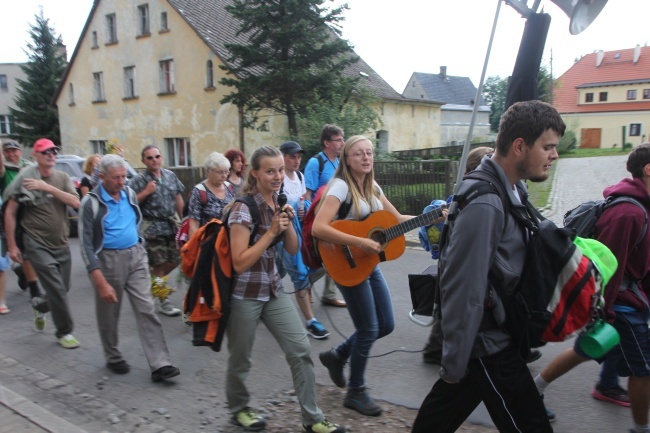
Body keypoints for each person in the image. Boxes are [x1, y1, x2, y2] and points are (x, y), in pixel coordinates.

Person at [411, 100, 564, 433]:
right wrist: (453, 363)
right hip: (487, 346)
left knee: (435, 421)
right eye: (548, 147)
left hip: (493, 337)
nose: (554, 155)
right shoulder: (486, 203)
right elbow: (462, 287)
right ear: (519, 146)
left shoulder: (512, 189)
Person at [225, 146, 344, 433]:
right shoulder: (243, 208)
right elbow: (239, 262)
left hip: (273, 290)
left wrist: (286, 221)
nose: (278, 176)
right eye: (270, 171)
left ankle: (312, 419)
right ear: (255, 174)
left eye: (280, 170)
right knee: (241, 358)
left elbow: (292, 248)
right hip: (244, 294)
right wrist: (270, 233)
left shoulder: (278, 203)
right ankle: (239, 408)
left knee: (300, 349)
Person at [534, 143, 650, 433]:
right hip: (621, 303)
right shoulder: (628, 213)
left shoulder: (641, 207)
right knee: (644, 370)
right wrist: (604, 312)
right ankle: (640, 429)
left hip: (629, 298)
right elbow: (609, 267)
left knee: (586, 350)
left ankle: (535, 389)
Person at [313, 135, 415, 417]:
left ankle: (338, 355)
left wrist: (433, 215)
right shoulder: (340, 186)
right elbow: (319, 228)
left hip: (368, 263)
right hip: (345, 261)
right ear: (347, 159)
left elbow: (396, 220)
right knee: (369, 327)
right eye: (359, 153)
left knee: (386, 324)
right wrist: (359, 242)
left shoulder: (372, 187)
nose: (366, 158)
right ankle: (356, 391)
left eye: (369, 153)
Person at [79, 154, 180, 381]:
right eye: (116, 177)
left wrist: (140, 245)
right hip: (107, 261)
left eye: (124, 176)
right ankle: (113, 356)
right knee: (109, 313)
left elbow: (135, 220)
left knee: (147, 308)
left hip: (135, 257)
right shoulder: (91, 203)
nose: (122, 181)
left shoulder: (129, 193)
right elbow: (85, 246)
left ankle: (160, 364)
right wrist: (100, 281)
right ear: (102, 177)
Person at [3, 138, 81, 348]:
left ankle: (39, 304)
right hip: (35, 241)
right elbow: (9, 212)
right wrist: (12, 245)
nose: (51, 154)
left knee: (63, 288)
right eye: (45, 151)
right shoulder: (24, 177)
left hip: (61, 242)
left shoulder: (63, 177)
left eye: (54, 151)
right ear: (35, 156)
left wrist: (47, 188)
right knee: (56, 287)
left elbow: (75, 202)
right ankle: (64, 332)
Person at [278, 140, 329, 339]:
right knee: (297, 273)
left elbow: (304, 200)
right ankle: (311, 321)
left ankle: (265, 305)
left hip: (297, 230)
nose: (296, 160)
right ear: (282, 157)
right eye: (292, 156)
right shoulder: (278, 178)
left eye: (299, 156)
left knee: (284, 271)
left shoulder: (298, 176)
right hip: (280, 233)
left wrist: (303, 206)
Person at [130, 145, 184, 317]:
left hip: (170, 225)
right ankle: (163, 300)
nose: (154, 160)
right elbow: (129, 202)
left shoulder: (170, 175)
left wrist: (185, 221)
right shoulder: (139, 180)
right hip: (152, 228)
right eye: (150, 158)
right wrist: (146, 192)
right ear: (143, 161)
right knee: (159, 264)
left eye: (157, 156)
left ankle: (151, 282)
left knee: (176, 260)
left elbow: (178, 198)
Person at [0, 139, 46, 325]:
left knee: (28, 252)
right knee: (20, 252)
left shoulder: (28, 167)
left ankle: (23, 274)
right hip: (11, 216)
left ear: (20, 151)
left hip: (30, 213)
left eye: (14, 151)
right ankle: (33, 286)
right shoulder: (5, 170)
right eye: (7, 151)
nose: (11, 154)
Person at [304, 124, 346, 308]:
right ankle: (303, 284)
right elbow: (307, 195)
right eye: (338, 140)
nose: (342, 143)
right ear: (327, 142)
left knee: (335, 256)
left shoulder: (339, 163)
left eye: (342, 139)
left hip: (337, 220)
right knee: (323, 260)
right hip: (319, 220)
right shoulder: (316, 163)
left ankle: (329, 294)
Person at [187, 152, 235, 238]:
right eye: (220, 172)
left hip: (228, 240)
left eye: (226, 172)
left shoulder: (229, 187)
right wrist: (196, 248)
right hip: (208, 242)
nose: (224, 176)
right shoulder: (199, 191)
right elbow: (193, 225)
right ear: (208, 172)